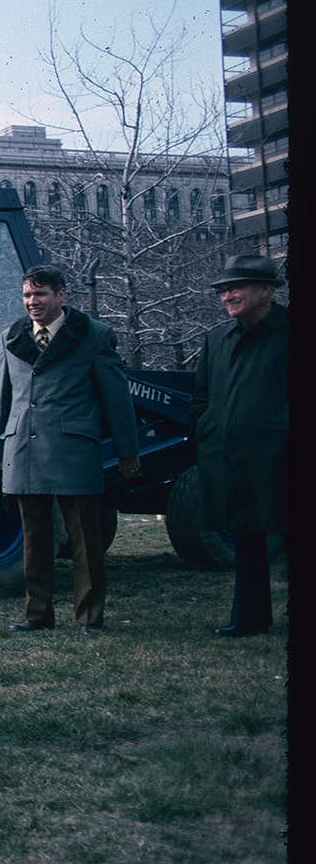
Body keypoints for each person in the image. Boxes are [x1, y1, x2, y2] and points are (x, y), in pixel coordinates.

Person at [0, 264, 140, 636]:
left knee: (85, 541)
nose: (32, 302)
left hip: (74, 449)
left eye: (40, 294)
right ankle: (36, 613)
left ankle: (90, 617)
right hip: (22, 449)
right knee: (34, 538)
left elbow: (116, 398)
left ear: (61, 295)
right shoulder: (11, 335)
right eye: (27, 295)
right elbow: (3, 397)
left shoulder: (95, 335)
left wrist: (128, 452)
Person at [189, 254, 288, 637]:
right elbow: (201, 396)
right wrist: (206, 428)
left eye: (236, 287)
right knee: (246, 536)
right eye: (223, 290)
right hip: (229, 457)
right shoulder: (217, 340)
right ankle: (249, 618)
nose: (227, 295)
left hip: (281, 457)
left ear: (266, 290)